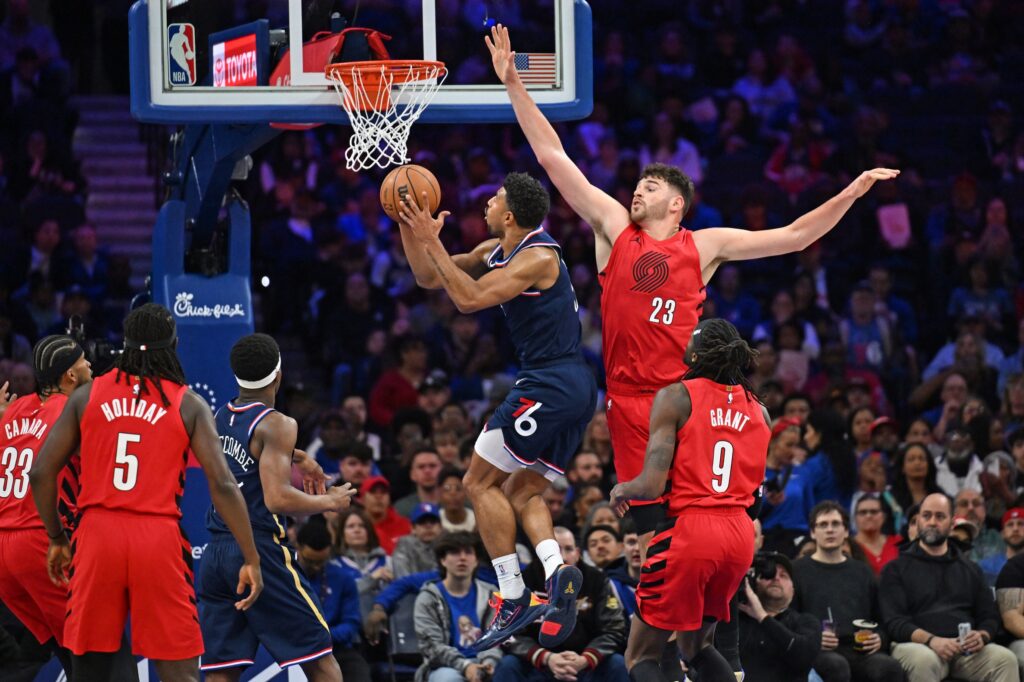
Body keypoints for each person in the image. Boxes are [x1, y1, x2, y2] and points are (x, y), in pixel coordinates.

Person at [486, 23, 899, 551]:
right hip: (628, 401)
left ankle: (727, 609)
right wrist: (513, 84)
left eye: (650, 187)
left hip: (682, 399)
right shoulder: (615, 228)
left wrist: (854, 189)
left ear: (676, 203)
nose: (637, 191)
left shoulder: (703, 245)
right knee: (653, 537)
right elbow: (553, 157)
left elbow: (795, 236)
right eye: (637, 185)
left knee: (710, 520)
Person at [399, 172, 597, 650]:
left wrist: (432, 240)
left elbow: (467, 300)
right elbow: (430, 276)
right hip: (572, 387)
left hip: (549, 380)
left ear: (508, 215)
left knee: (475, 481)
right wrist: (411, 225)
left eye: (493, 199)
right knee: (520, 488)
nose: (485, 203)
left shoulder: (535, 256)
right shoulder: (497, 250)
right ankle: (555, 570)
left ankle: (512, 593)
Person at [29, 303, 264, 682]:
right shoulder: (188, 403)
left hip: (97, 534)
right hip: (157, 537)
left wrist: (57, 538)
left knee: (90, 668)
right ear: (173, 345)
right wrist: (251, 556)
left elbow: (41, 473)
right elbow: (222, 484)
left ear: (125, 344)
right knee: (179, 670)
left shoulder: (87, 395)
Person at [609, 319, 771, 681]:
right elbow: (757, 499)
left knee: (639, 656)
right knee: (696, 648)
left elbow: (650, 486)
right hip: (740, 537)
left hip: (692, 531)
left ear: (695, 353)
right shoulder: (760, 411)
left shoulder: (677, 395)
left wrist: (623, 489)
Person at [197, 333, 357, 680]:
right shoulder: (280, 423)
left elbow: (248, 456)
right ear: (279, 375)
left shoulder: (220, 415)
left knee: (221, 671)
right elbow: (276, 498)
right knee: (320, 657)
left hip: (217, 553)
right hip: (259, 551)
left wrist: (299, 457)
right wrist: (330, 500)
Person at [0, 335, 136, 680]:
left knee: (71, 650)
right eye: (83, 361)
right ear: (70, 376)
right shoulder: (73, 411)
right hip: (40, 540)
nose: (91, 364)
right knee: (104, 645)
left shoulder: (14, 408)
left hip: (5, 551)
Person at [880, 492, 1018, 682]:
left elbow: (989, 615)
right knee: (923, 660)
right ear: (918, 520)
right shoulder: (895, 569)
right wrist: (931, 640)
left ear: (952, 523)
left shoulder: (971, 569)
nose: (932, 522)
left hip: (966, 650)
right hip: (918, 645)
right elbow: (894, 622)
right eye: (926, 516)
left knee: (1004, 659)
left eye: (940, 516)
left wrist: (982, 635)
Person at [493, 526, 629, 682]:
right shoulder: (523, 582)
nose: (563, 557)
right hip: (539, 664)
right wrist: (547, 658)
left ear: (578, 554)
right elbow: (507, 633)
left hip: (586, 663)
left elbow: (615, 629)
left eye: (569, 549)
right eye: (555, 552)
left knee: (617, 663)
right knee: (508, 665)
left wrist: (585, 659)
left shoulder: (597, 579)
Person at [792, 501, 905, 682]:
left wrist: (880, 638)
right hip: (818, 649)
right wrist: (811, 639)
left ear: (846, 531)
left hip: (859, 649)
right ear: (813, 532)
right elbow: (790, 618)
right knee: (835, 666)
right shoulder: (797, 570)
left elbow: (882, 618)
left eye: (836, 524)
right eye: (823, 524)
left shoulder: (862, 571)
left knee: (888, 668)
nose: (830, 530)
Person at [413, 531, 502, 682]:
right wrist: (466, 666)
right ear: (443, 560)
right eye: (455, 552)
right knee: (448, 679)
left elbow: (497, 637)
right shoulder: (428, 598)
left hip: (484, 661)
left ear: (476, 561)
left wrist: (488, 663)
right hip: (444, 666)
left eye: (468, 552)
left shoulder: (491, 594)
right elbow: (432, 647)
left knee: (507, 669)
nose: (462, 558)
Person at [295, 520, 371, 682]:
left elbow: (351, 624)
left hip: (335, 647)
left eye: (321, 562)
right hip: (294, 649)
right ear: (298, 548)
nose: (316, 567)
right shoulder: (286, 577)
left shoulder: (343, 578)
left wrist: (322, 636)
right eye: (310, 561)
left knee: (359, 670)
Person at [737, 552, 822, 682]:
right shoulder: (737, 619)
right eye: (768, 574)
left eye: (783, 575)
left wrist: (762, 617)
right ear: (754, 583)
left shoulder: (805, 621)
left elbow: (803, 656)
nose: (776, 578)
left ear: (793, 590)